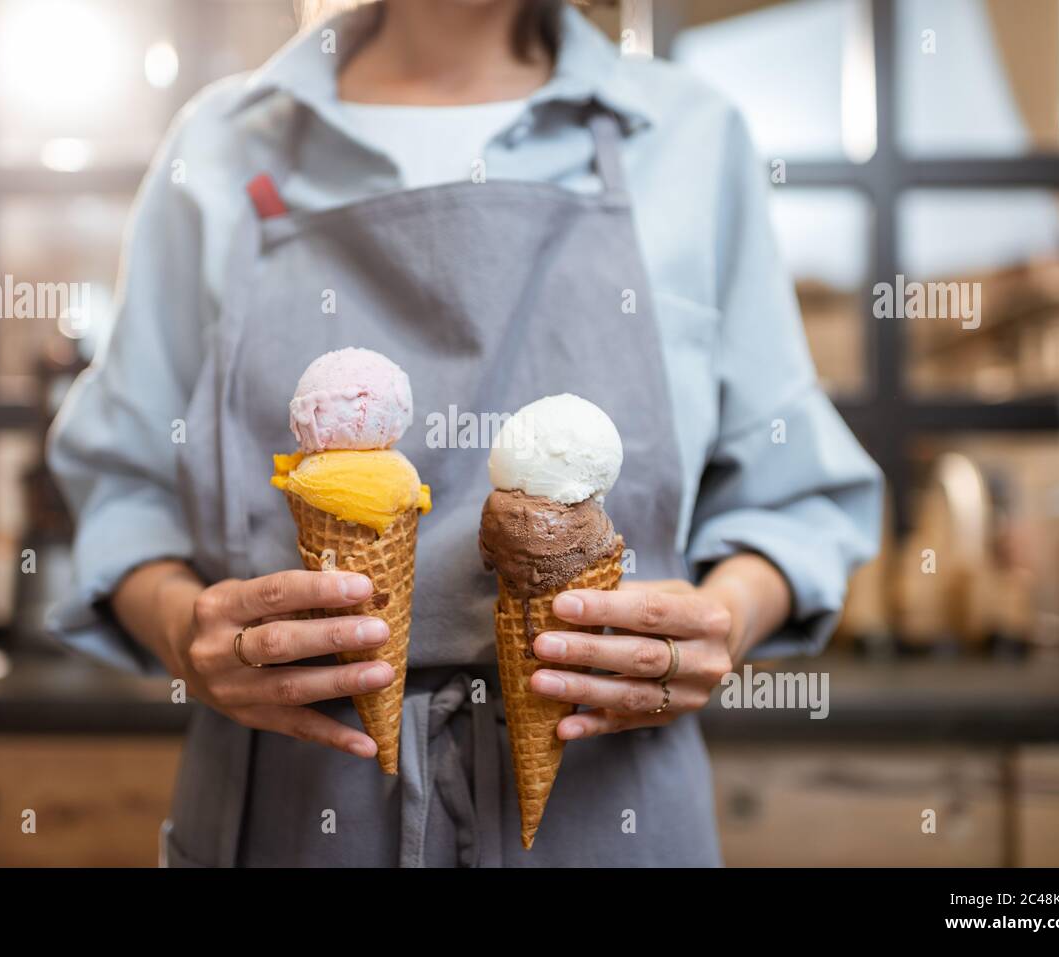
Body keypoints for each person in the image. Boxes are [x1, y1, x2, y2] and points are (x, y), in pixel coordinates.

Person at [48, 0, 882, 867]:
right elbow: (125, 489)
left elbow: (796, 498)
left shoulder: (689, 135)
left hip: (610, 806)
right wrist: (187, 628)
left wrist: (729, 616)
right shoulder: (222, 144)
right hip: (293, 812)